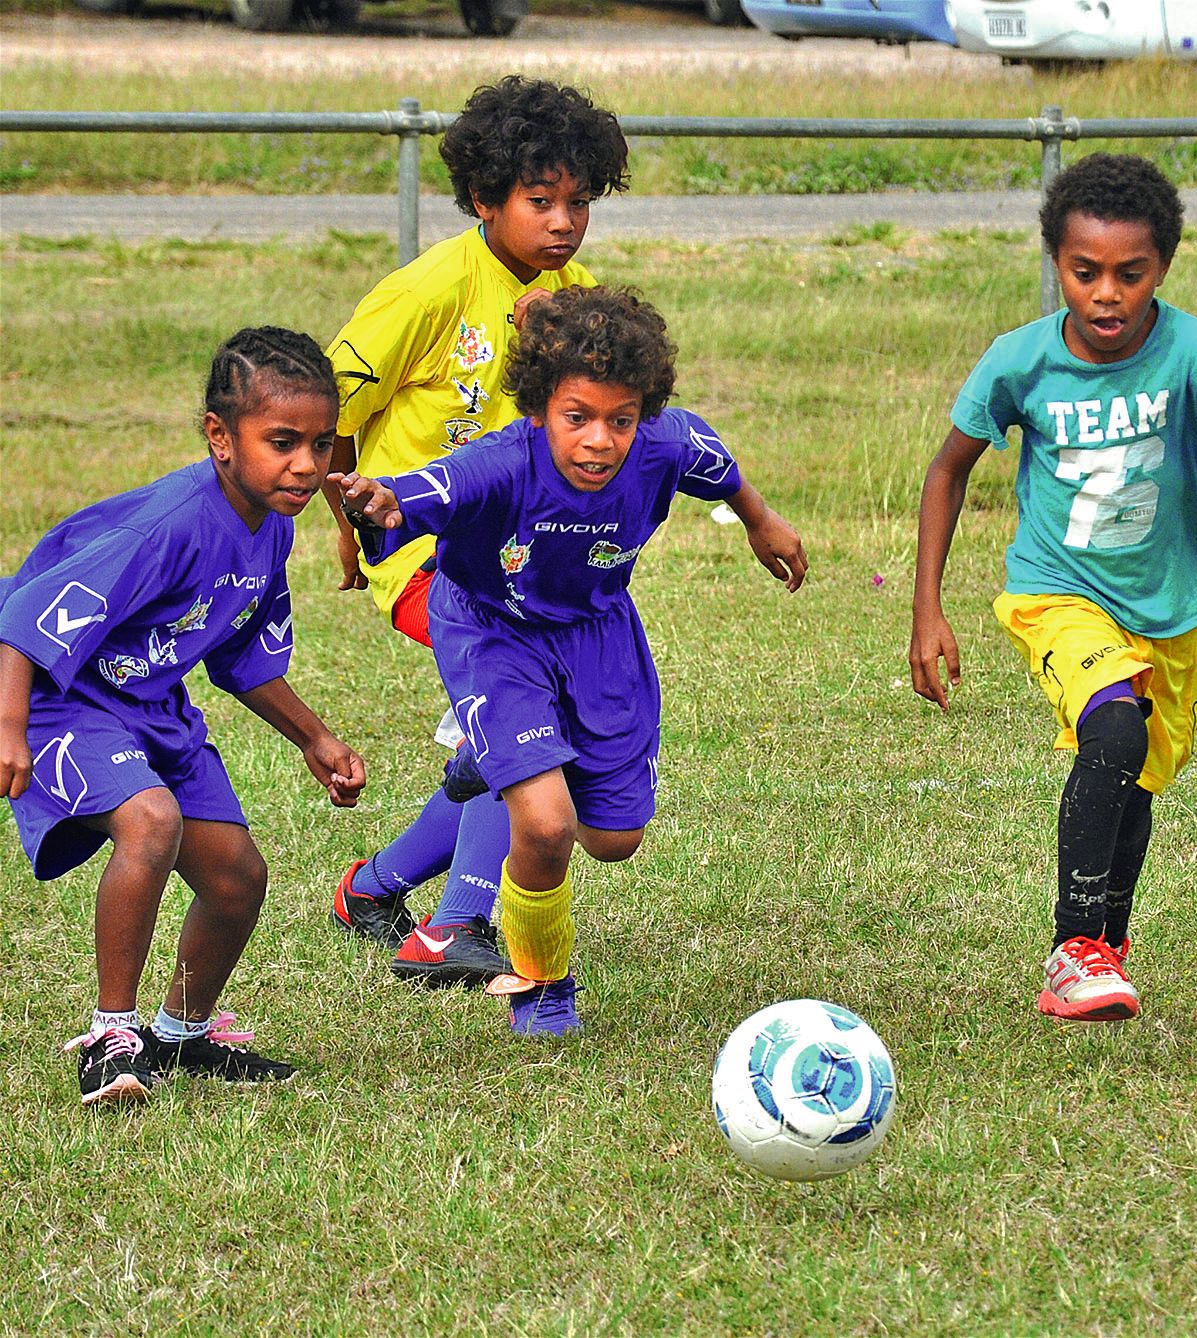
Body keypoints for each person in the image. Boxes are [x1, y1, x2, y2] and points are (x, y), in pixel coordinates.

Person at [908, 153, 1197, 1024]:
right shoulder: (1017, 362)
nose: (1105, 294)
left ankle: (1109, 939)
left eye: (1128, 275)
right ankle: (1072, 948)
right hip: (1054, 589)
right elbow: (946, 473)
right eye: (1083, 271)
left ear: (1161, 269)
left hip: (1172, 605)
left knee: (1134, 777)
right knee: (1111, 723)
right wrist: (927, 609)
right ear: (1056, 263)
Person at [334, 287, 807, 1036]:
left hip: (597, 634)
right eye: (577, 418)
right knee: (546, 827)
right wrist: (380, 504)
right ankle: (543, 987)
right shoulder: (496, 465)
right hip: (493, 635)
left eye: (620, 420)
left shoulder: (664, 442)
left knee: (615, 841)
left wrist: (762, 520)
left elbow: (717, 466)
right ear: (538, 409)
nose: (599, 440)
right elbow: (415, 494)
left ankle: (485, 763)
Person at [0, 328, 368, 1105]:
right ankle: (110, 1036)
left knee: (237, 879)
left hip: (153, 711)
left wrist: (315, 736)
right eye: (282, 441)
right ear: (219, 437)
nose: (307, 464)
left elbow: (239, 659)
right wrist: (7, 730)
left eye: (321, 442)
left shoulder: (272, 525)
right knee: (150, 821)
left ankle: (182, 1036)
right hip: (63, 702)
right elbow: (27, 617)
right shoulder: (163, 525)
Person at [320, 76, 631, 988]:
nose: (564, 221)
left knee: (518, 734)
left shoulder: (573, 297)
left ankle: (372, 890)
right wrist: (348, 522)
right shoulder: (430, 288)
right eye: (541, 202)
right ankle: (454, 924)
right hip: (426, 553)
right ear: (483, 197)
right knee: (523, 729)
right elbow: (334, 397)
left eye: (579, 202)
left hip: (525, 563)